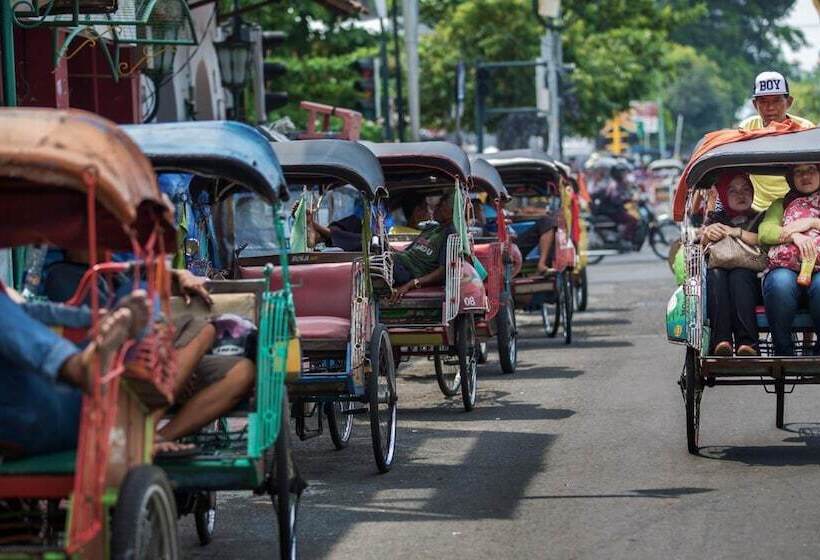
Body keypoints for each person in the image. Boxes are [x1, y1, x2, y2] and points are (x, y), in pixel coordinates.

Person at [42, 254, 256, 453]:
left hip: (159, 362)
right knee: (196, 330)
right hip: (116, 368)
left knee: (242, 371)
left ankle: (154, 437)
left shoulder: (127, 264)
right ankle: (143, 432)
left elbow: (154, 274)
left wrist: (179, 275)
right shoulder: (63, 275)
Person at [0, 285, 149, 458]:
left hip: (71, 407)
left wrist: (108, 319)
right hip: (19, 419)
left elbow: (31, 314)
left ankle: (89, 367)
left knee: (143, 290)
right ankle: (76, 366)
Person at [759, 163, 820, 356]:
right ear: (791, 178)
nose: (805, 176)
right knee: (780, 283)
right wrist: (795, 236)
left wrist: (811, 222)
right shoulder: (781, 204)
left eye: (811, 170)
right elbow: (765, 232)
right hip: (785, 269)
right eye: (799, 172)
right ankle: (783, 352)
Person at [700, 172, 762, 356]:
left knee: (739, 274)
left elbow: (765, 239)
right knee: (716, 273)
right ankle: (721, 341)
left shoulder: (761, 218)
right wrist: (707, 234)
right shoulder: (715, 218)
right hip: (721, 281)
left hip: (755, 282)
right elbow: (702, 243)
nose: (740, 194)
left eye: (745, 189)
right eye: (732, 190)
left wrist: (734, 232)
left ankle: (748, 344)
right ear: (724, 195)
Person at [739, 71, 814, 211]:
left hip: (801, 204)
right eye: (764, 101)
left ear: (789, 102)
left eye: (777, 100)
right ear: (755, 105)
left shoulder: (806, 129)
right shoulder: (747, 128)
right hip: (755, 208)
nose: (770, 108)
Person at [390, 193, 455, 300]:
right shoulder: (431, 228)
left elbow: (442, 272)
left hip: (407, 272)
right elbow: (407, 253)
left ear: (451, 211)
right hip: (397, 262)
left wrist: (411, 284)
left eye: (441, 206)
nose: (435, 209)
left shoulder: (450, 234)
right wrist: (389, 250)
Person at [593, 165, 639, 250]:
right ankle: (625, 240)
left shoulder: (619, 183)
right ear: (618, 174)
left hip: (614, 209)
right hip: (612, 211)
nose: (625, 175)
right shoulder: (614, 184)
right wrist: (627, 199)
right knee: (632, 220)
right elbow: (615, 199)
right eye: (623, 173)